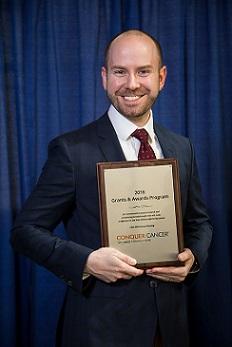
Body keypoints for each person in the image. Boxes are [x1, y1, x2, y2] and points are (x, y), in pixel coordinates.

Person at [11, 30, 212, 347]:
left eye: (143, 71)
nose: (131, 83)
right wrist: (87, 261)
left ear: (162, 77)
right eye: (120, 71)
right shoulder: (72, 150)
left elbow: (199, 222)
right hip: (100, 331)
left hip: (171, 327)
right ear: (105, 77)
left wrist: (193, 258)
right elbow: (25, 230)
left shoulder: (181, 147)